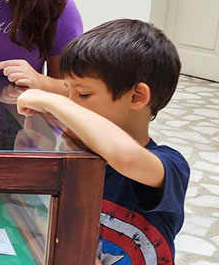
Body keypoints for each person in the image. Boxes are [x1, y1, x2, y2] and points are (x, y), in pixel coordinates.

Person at [16, 19, 189, 264]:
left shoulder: (170, 164)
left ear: (137, 96)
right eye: (67, 92)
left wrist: (53, 101)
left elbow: (124, 157)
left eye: (83, 94)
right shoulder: (75, 157)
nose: (71, 103)